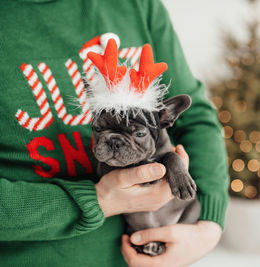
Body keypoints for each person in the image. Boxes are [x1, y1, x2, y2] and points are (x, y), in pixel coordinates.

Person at [0, 0, 229, 266]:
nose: (116, 144)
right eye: (100, 128)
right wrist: (97, 200)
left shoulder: (137, 5)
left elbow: (197, 117)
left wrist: (209, 225)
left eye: (136, 134)